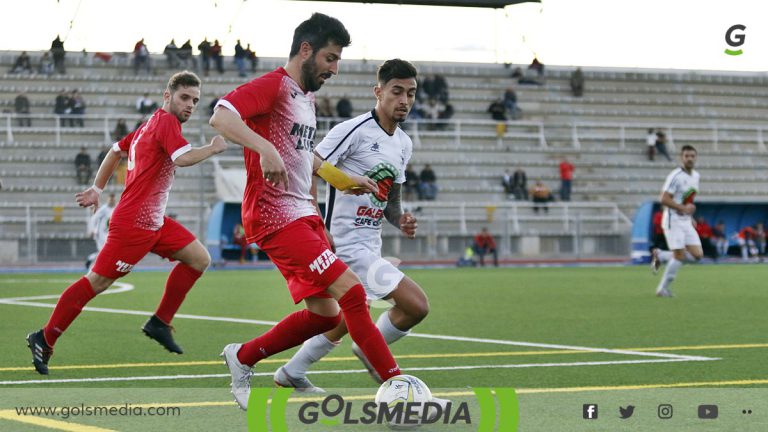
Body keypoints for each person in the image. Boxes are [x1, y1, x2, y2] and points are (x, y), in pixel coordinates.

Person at [209, 13, 401, 411]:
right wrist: (263, 148)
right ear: (306, 50)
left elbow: (304, 162)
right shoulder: (274, 86)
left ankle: (242, 357)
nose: (334, 69)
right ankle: (395, 385)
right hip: (274, 214)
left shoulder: (306, 99)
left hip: (303, 215)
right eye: (331, 59)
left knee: (326, 317)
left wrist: (326, 206)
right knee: (353, 294)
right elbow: (221, 116)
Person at [26, 71, 228, 375]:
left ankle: (160, 322)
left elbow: (115, 151)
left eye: (195, 101)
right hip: (134, 224)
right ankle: (45, 337)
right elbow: (183, 158)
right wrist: (213, 148)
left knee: (199, 258)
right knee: (98, 282)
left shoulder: (147, 126)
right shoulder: (165, 122)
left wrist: (97, 188)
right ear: (167, 95)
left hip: (154, 222)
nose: (190, 105)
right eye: (185, 97)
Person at [274, 59, 431, 393]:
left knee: (345, 319)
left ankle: (291, 371)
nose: (404, 100)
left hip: (370, 243)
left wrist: (401, 219)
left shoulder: (403, 143)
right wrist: (316, 222)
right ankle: (371, 349)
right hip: (344, 244)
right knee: (416, 304)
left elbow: (392, 201)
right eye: (396, 91)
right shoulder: (354, 129)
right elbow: (309, 162)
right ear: (378, 92)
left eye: (411, 93)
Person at [649, 145, 701, 297]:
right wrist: (682, 208)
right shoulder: (675, 176)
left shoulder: (696, 176)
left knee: (697, 255)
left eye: (692, 156)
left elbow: (687, 199)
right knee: (679, 256)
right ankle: (662, 289)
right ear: (682, 158)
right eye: (687, 156)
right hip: (673, 219)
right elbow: (664, 199)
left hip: (685, 220)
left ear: (696, 157)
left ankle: (660, 255)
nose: (690, 158)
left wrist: (689, 215)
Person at [85, 193, 117, 270]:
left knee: (104, 252)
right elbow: (94, 219)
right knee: (103, 252)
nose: (111, 201)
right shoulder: (104, 209)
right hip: (100, 235)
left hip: (109, 235)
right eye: (110, 199)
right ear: (108, 200)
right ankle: (93, 268)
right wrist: (92, 230)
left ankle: (91, 259)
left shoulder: (115, 209)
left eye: (113, 199)